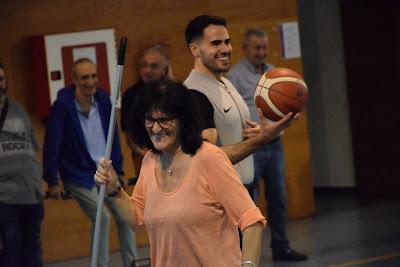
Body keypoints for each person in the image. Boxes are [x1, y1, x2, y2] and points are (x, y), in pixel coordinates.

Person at [95, 80, 266, 267]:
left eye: (164, 120)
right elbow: (137, 218)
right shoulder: (149, 162)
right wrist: (114, 191)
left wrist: (248, 264)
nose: (156, 128)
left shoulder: (210, 159)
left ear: (183, 121)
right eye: (150, 120)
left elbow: (252, 221)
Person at [183, 16, 299, 195]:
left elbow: (232, 132)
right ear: (195, 49)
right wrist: (261, 140)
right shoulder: (194, 93)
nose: (226, 49)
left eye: (227, 42)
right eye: (215, 43)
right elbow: (204, 158)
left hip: (244, 191)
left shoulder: (225, 83)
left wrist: (256, 133)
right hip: (222, 199)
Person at [42, 58, 138, 267]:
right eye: (84, 77)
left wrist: (119, 169)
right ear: (75, 80)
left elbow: (113, 139)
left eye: (94, 76)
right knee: (102, 216)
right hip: (77, 173)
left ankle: (132, 263)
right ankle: (100, 265)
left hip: (105, 170)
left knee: (124, 214)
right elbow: (52, 145)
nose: (90, 81)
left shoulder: (104, 101)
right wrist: (52, 179)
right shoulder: (62, 107)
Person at [226, 28, 308, 261]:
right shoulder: (234, 76)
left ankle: (281, 247)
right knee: (248, 201)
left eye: (264, 47)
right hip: (251, 147)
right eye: (256, 48)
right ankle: (245, 255)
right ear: (245, 49)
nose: (261, 52)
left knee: (278, 198)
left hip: (276, 144)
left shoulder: (276, 74)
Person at [0, 63, 44, 267]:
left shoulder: (17, 109)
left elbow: (33, 147)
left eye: (1, 80)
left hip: (31, 194)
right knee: (13, 251)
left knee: (33, 250)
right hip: (5, 198)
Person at [121, 45, 173, 175]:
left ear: (164, 70)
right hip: (144, 159)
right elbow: (129, 137)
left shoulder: (174, 93)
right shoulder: (130, 95)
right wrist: (149, 157)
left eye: (154, 66)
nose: (147, 70)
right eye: (144, 65)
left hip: (173, 157)